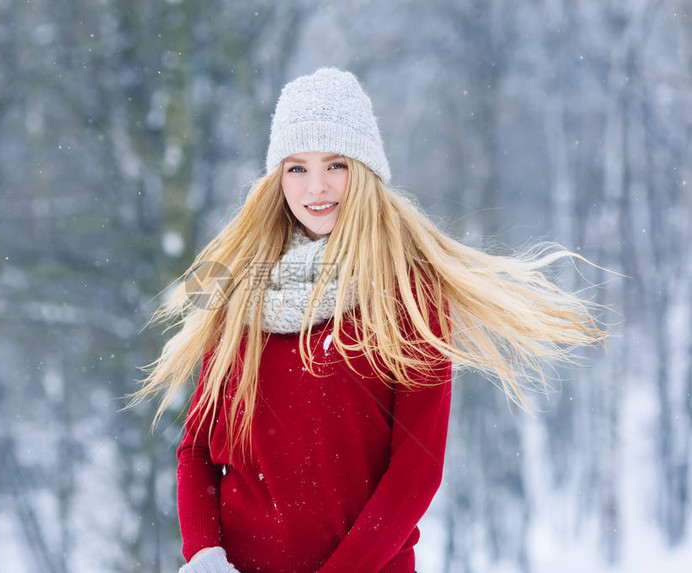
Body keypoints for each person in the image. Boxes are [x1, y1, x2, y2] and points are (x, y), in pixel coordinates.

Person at [124, 67, 606, 573]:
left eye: (336, 164)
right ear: (276, 178)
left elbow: (416, 471)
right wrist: (204, 555)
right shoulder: (241, 292)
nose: (316, 187)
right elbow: (197, 451)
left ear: (366, 169)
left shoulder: (407, 292)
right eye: (296, 168)